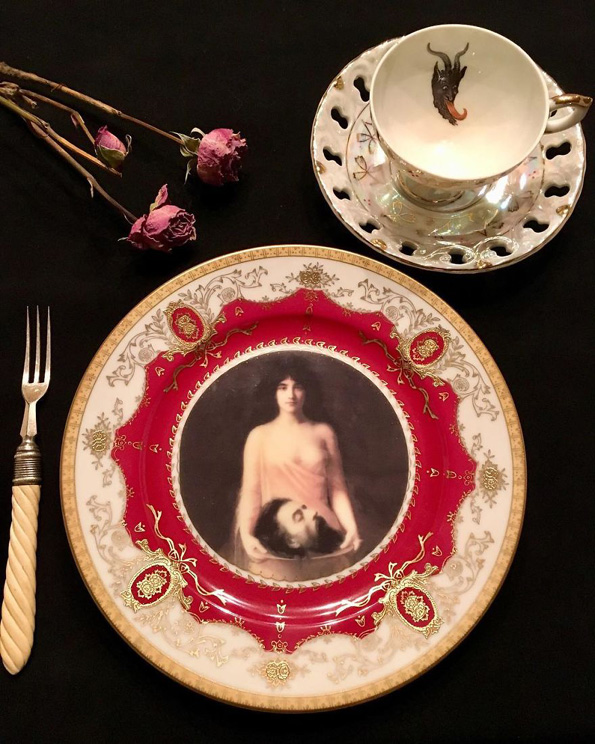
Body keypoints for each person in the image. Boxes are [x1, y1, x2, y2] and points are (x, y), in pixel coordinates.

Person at [231, 355, 361, 581]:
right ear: (273, 392)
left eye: (297, 387)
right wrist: (247, 535)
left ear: (307, 391)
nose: (290, 395)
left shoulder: (323, 432)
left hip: (323, 533)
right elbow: (251, 491)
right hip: (279, 537)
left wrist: (351, 529)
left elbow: (337, 489)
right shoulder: (259, 435)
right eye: (283, 387)